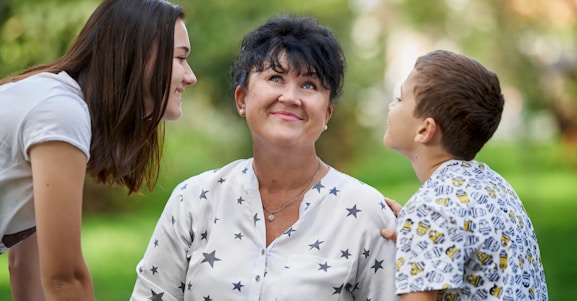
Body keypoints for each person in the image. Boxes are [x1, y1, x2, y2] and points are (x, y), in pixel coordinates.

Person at [130, 15, 398, 301]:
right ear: (242, 100)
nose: (290, 97)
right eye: (275, 78)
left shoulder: (367, 214)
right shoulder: (194, 202)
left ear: (327, 114)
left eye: (309, 85)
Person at [0, 0, 197, 299]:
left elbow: (26, 266)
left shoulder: (52, 103)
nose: (190, 76)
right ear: (137, 55)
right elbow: (65, 278)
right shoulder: (60, 113)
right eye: (180, 59)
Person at [381, 49, 548, 301]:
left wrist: (420, 228)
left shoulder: (430, 210)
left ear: (425, 130)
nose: (391, 105)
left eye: (399, 98)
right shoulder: (494, 185)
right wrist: (419, 238)